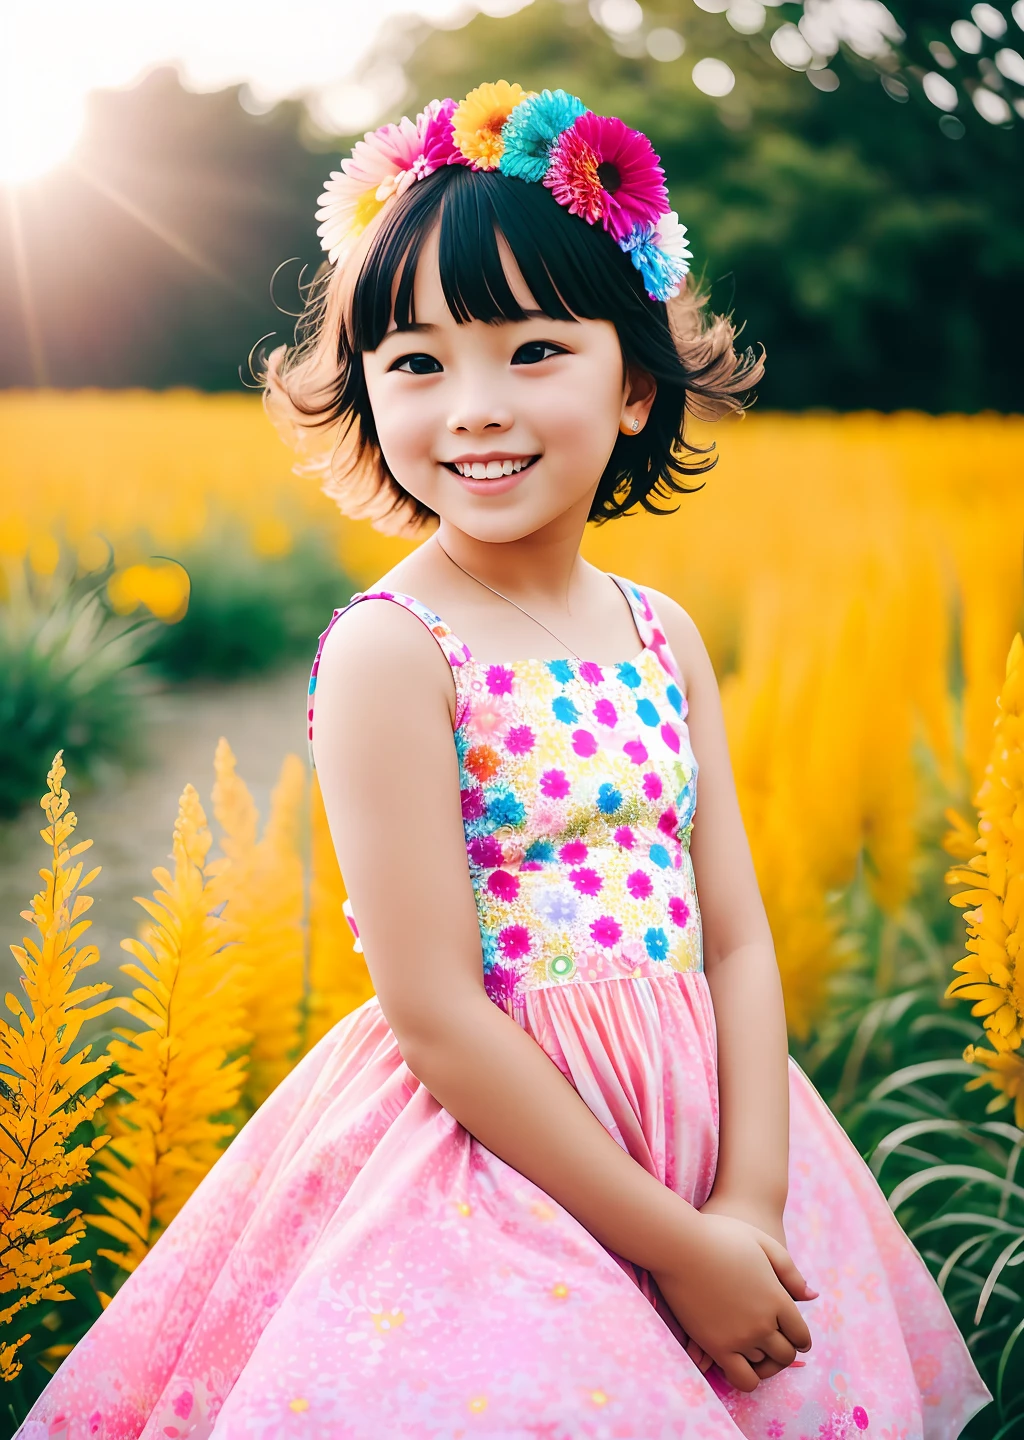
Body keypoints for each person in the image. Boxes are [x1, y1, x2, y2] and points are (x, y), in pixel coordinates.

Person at [19, 81, 989, 1440]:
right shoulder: (392, 650)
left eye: (532, 351)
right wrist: (670, 1239)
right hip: (492, 1163)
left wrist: (749, 1207)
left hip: (711, 1132)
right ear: (361, 391)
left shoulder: (663, 636)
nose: (473, 408)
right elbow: (438, 1010)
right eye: (415, 362)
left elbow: (738, 944)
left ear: (637, 380)